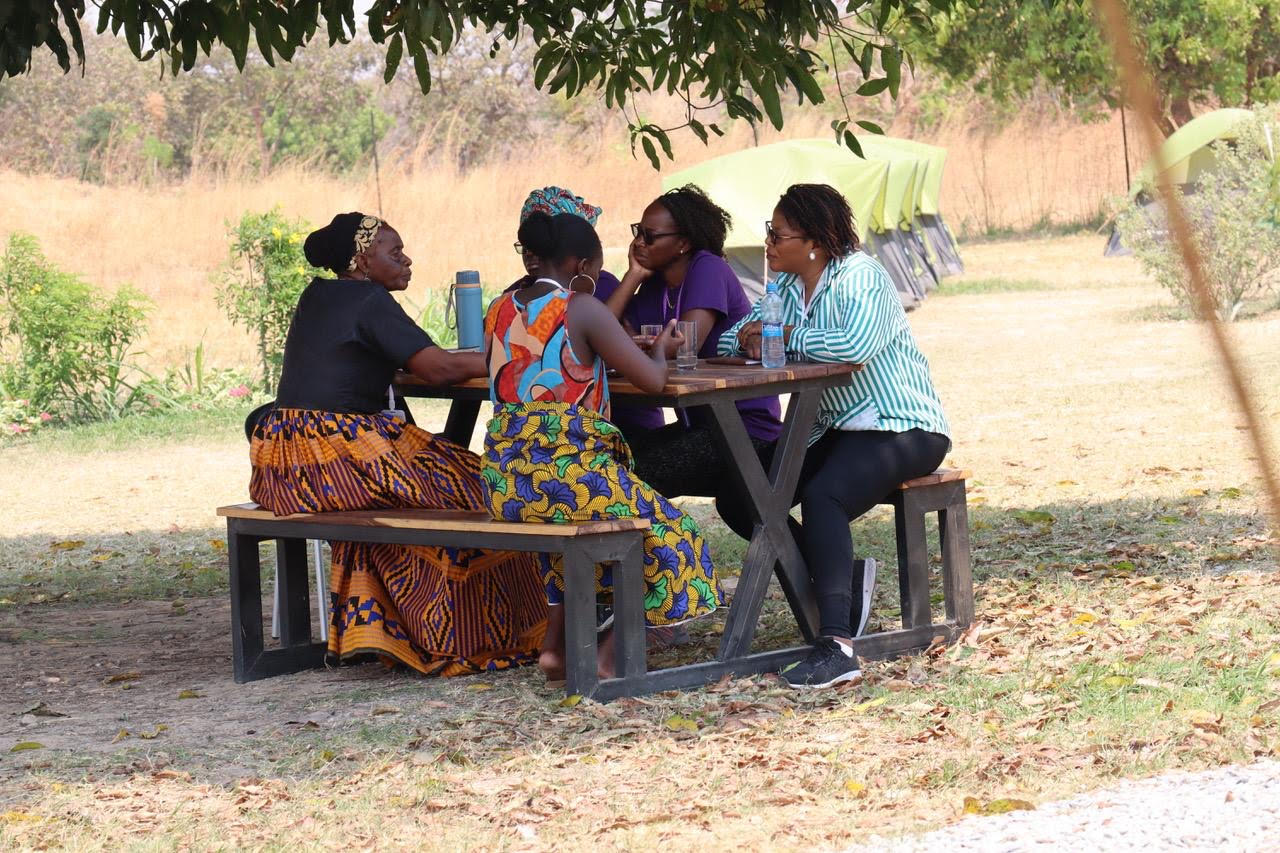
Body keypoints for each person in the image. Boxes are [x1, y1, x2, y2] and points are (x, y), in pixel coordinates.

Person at [249, 212, 547, 677]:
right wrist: (526, 356)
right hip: (338, 455)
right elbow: (439, 371)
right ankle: (475, 634)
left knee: (451, 473)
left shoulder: (318, 295)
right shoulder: (368, 299)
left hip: (288, 461)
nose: (407, 261)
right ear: (362, 260)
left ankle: (404, 626)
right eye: (394, 253)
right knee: (482, 488)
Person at [719, 184, 951, 690]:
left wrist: (778, 338)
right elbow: (728, 337)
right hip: (832, 429)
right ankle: (839, 580)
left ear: (815, 243)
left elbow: (854, 345)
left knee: (824, 497)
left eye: (777, 234)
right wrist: (747, 336)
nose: (768, 243)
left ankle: (837, 645)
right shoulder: (781, 287)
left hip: (899, 424)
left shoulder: (860, 276)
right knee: (743, 495)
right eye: (769, 233)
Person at [481, 210, 724, 683]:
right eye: (595, 267)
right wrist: (659, 350)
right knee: (677, 535)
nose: (597, 276)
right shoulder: (581, 306)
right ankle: (610, 654)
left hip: (505, 483)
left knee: (570, 538)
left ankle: (555, 651)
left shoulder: (499, 308)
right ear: (578, 264)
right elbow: (653, 381)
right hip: (567, 474)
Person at [601, 184, 783, 503]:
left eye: (649, 235)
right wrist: (632, 276)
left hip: (745, 430)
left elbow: (685, 341)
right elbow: (606, 335)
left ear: (683, 242)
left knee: (629, 477)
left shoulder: (708, 267)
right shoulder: (653, 285)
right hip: (701, 427)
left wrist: (638, 346)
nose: (638, 243)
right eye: (637, 232)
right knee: (605, 467)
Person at [506, 186, 621, 296]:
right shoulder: (512, 295)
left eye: (541, 241)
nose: (530, 253)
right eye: (526, 245)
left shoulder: (605, 287)